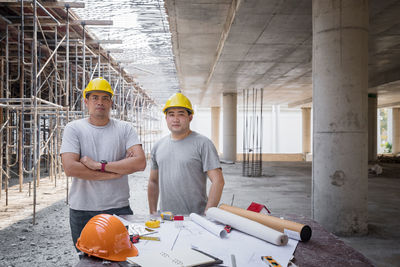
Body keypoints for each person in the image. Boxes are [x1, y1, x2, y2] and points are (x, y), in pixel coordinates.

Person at [60, 77, 146, 249]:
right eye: (95, 97)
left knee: (121, 257)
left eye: (105, 98)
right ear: (86, 101)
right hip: (82, 209)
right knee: (87, 258)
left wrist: (99, 166)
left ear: (111, 102)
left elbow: (140, 163)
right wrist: (116, 172)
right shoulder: (74, 128)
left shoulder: (125, 129)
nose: (100, 102)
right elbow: (70, 168)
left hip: (119, 208)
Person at [148, 92, 225, 215]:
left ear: (190, 117)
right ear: (166, 118)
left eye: (181, 114)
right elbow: (153, 181)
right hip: (166, 218)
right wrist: (152, 212)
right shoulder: (158, 146)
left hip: (196, 218)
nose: (176, 119)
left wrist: (207, 214)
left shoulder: (203, 144)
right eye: (171, 114)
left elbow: (218, 181)